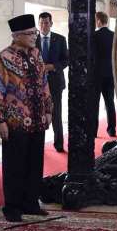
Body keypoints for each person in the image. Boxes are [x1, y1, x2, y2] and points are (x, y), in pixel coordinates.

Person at [0, 14, 53, 222]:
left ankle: (31, 203)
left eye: (35, 33)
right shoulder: (3, 58)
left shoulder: (37, 54)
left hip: (37, 120)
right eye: (29, 34)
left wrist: (48, 110)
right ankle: (12, 208)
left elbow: (45, 85)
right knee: (14, 166)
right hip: (15, 122)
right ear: (16, 36)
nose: (34, 36)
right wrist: (0, 120)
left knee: (35, 164)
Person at [35, 12, 68, 152]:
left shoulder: (60, 39)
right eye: (41, 23)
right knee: (38, 115)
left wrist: (52, 66)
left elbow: (66, 60)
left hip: (55, 83)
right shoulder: (33, 40)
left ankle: (59, 144)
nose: (44, 25)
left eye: (46, 23)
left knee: (56, 114)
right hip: (36, 85)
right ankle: (37, 146)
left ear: (51, 23)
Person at [93, 11, 116, 137]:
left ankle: (94, 131)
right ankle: (112, 130)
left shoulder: (94, 36)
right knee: (110, 102)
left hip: (96, 75)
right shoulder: (114, 35)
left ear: (99, 21)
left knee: (95, 104)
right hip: (110, 74)